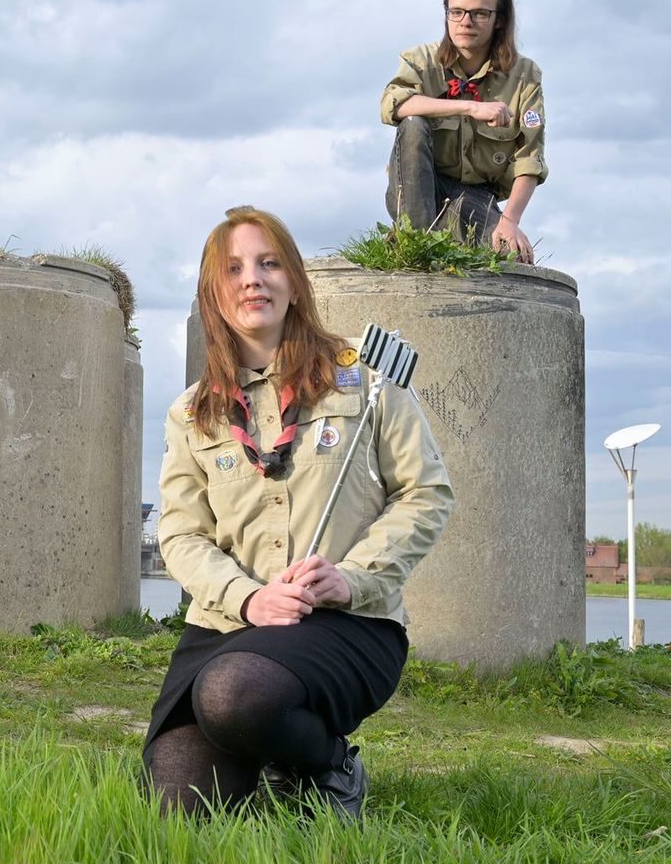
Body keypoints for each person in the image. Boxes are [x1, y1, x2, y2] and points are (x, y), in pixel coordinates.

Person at [143, 207, 453, 819]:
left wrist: (353, 576)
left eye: (268, 262)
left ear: (293, 280)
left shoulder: (363, 378)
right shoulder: (192, 412)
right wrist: (249, 598)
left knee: (234, 695)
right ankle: (268, 754)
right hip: (230, 624)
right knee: (178, 800)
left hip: (344, 622)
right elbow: (180, 534)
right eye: (232, 269)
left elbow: (426, 492)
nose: (252, 280)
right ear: (213, 293)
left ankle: (327, 766)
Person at [381, 0, 547, 262]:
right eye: (456, 12)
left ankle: (456, 240)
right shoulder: (421, 60)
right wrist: (471, 108)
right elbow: (394, 104)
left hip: (473, 196)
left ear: (498, 19)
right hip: (416, 187)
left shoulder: (524, 76)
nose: (465, 22)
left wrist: (509, 222)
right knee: (414, 122)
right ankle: (415, 244)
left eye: (479, 13)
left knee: (512, 256)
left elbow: (530, 159)